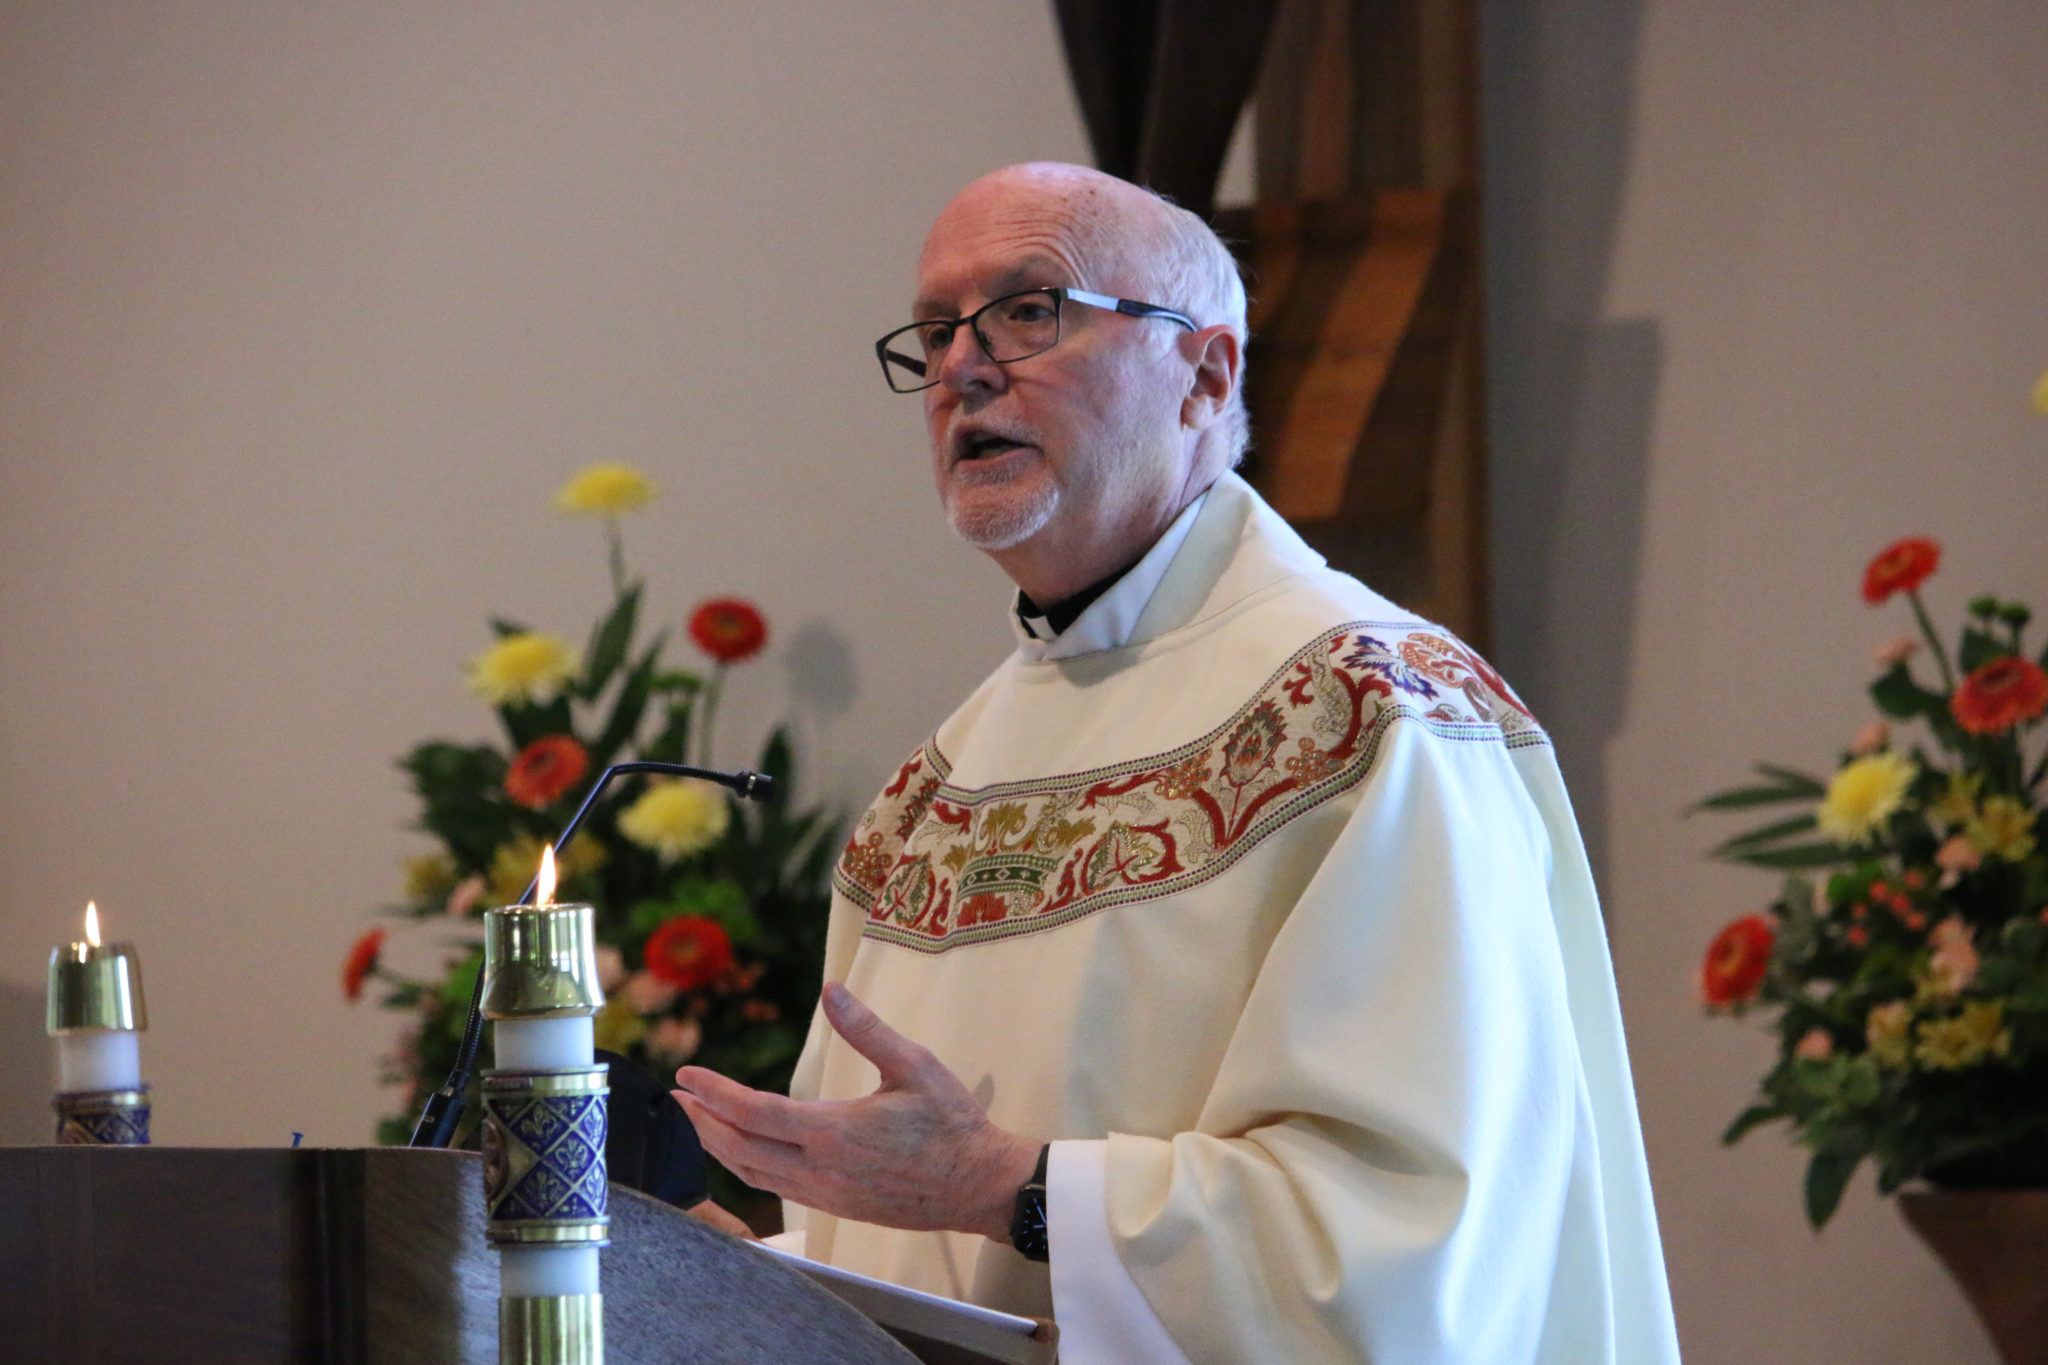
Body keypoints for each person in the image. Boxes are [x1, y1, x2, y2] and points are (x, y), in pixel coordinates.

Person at [673, 162, 1681, 1364]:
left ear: (1205, 375)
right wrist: (732, 1283)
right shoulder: (931, 795)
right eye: (937, 330)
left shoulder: (1375, 712)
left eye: (1028, 310)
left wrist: (1012, 1189)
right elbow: (902, 1251)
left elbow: (1419, 1238)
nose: (959, 369)